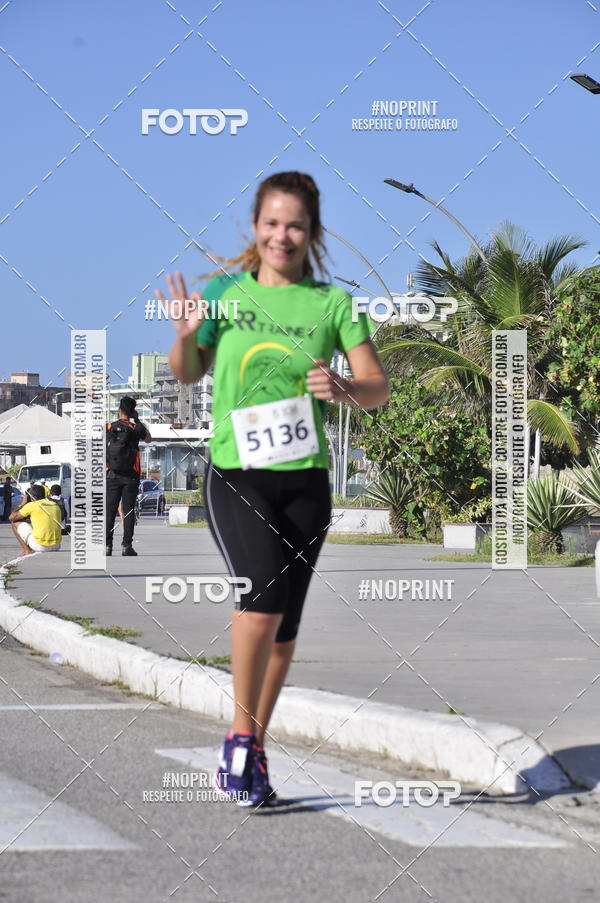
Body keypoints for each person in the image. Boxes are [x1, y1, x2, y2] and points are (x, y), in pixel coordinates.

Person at [162, 171, 389, 807]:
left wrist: (346, 388)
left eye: (294, 224)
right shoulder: (226, 295)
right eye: (271, 223)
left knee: (285, 630)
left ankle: (255, 748)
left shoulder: (333, 305)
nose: (281, 235)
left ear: (311, 232)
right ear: (255, 228)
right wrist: (183, 334)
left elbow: (378, 387)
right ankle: (238, 740)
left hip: (305, 484)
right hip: (237, 475)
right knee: (259, 602)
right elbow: (188, 371)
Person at [105, 397, 151, 556]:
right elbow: (148, 439)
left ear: (119, 410)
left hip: (111, 474)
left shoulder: (109, 426)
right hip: (131, 476)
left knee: (110, 511)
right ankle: (126, 546)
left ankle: (107, 546)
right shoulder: (135, 428)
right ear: (132, 412)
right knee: (129, 510)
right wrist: (137, 420)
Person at [9, 484, 62, 557]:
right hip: (57, 545)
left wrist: (22, 504)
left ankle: (27, 550)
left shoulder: (32, 505)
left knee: (14, 523)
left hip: (41, 546)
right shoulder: (54, 504)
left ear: (32, 496)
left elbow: (11, 517)